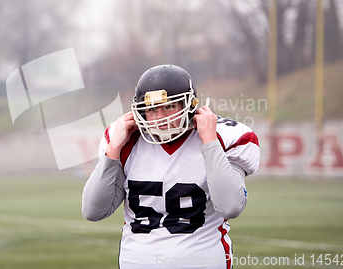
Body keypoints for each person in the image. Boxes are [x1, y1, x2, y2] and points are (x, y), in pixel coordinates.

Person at [82, 64, 260, 269]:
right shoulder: (126, 140)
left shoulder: (223, 136)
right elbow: (93, 211)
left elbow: (231, 206)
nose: (159, 117)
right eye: (152, 109)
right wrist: (113, 149)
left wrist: (210, 142)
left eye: (169, 106)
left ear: (190, 104)